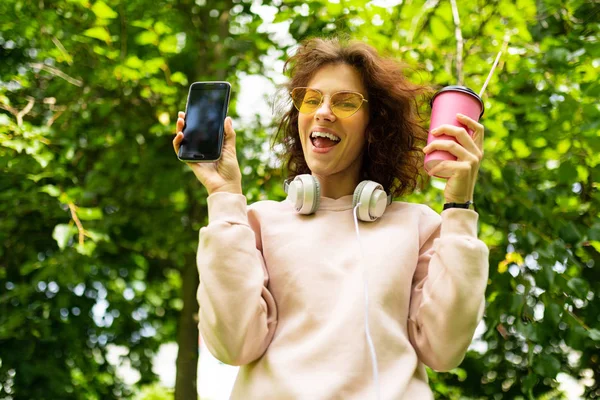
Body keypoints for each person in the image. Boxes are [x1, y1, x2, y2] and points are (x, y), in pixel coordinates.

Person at [172, 38, 489, 400]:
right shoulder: (255, 222)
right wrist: (224, 195)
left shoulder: (418, 226)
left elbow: (444, 350)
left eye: (345, 101)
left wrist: (459, 207)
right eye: (312, 99)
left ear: (374, 126)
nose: (323, 111)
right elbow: (233, 346)